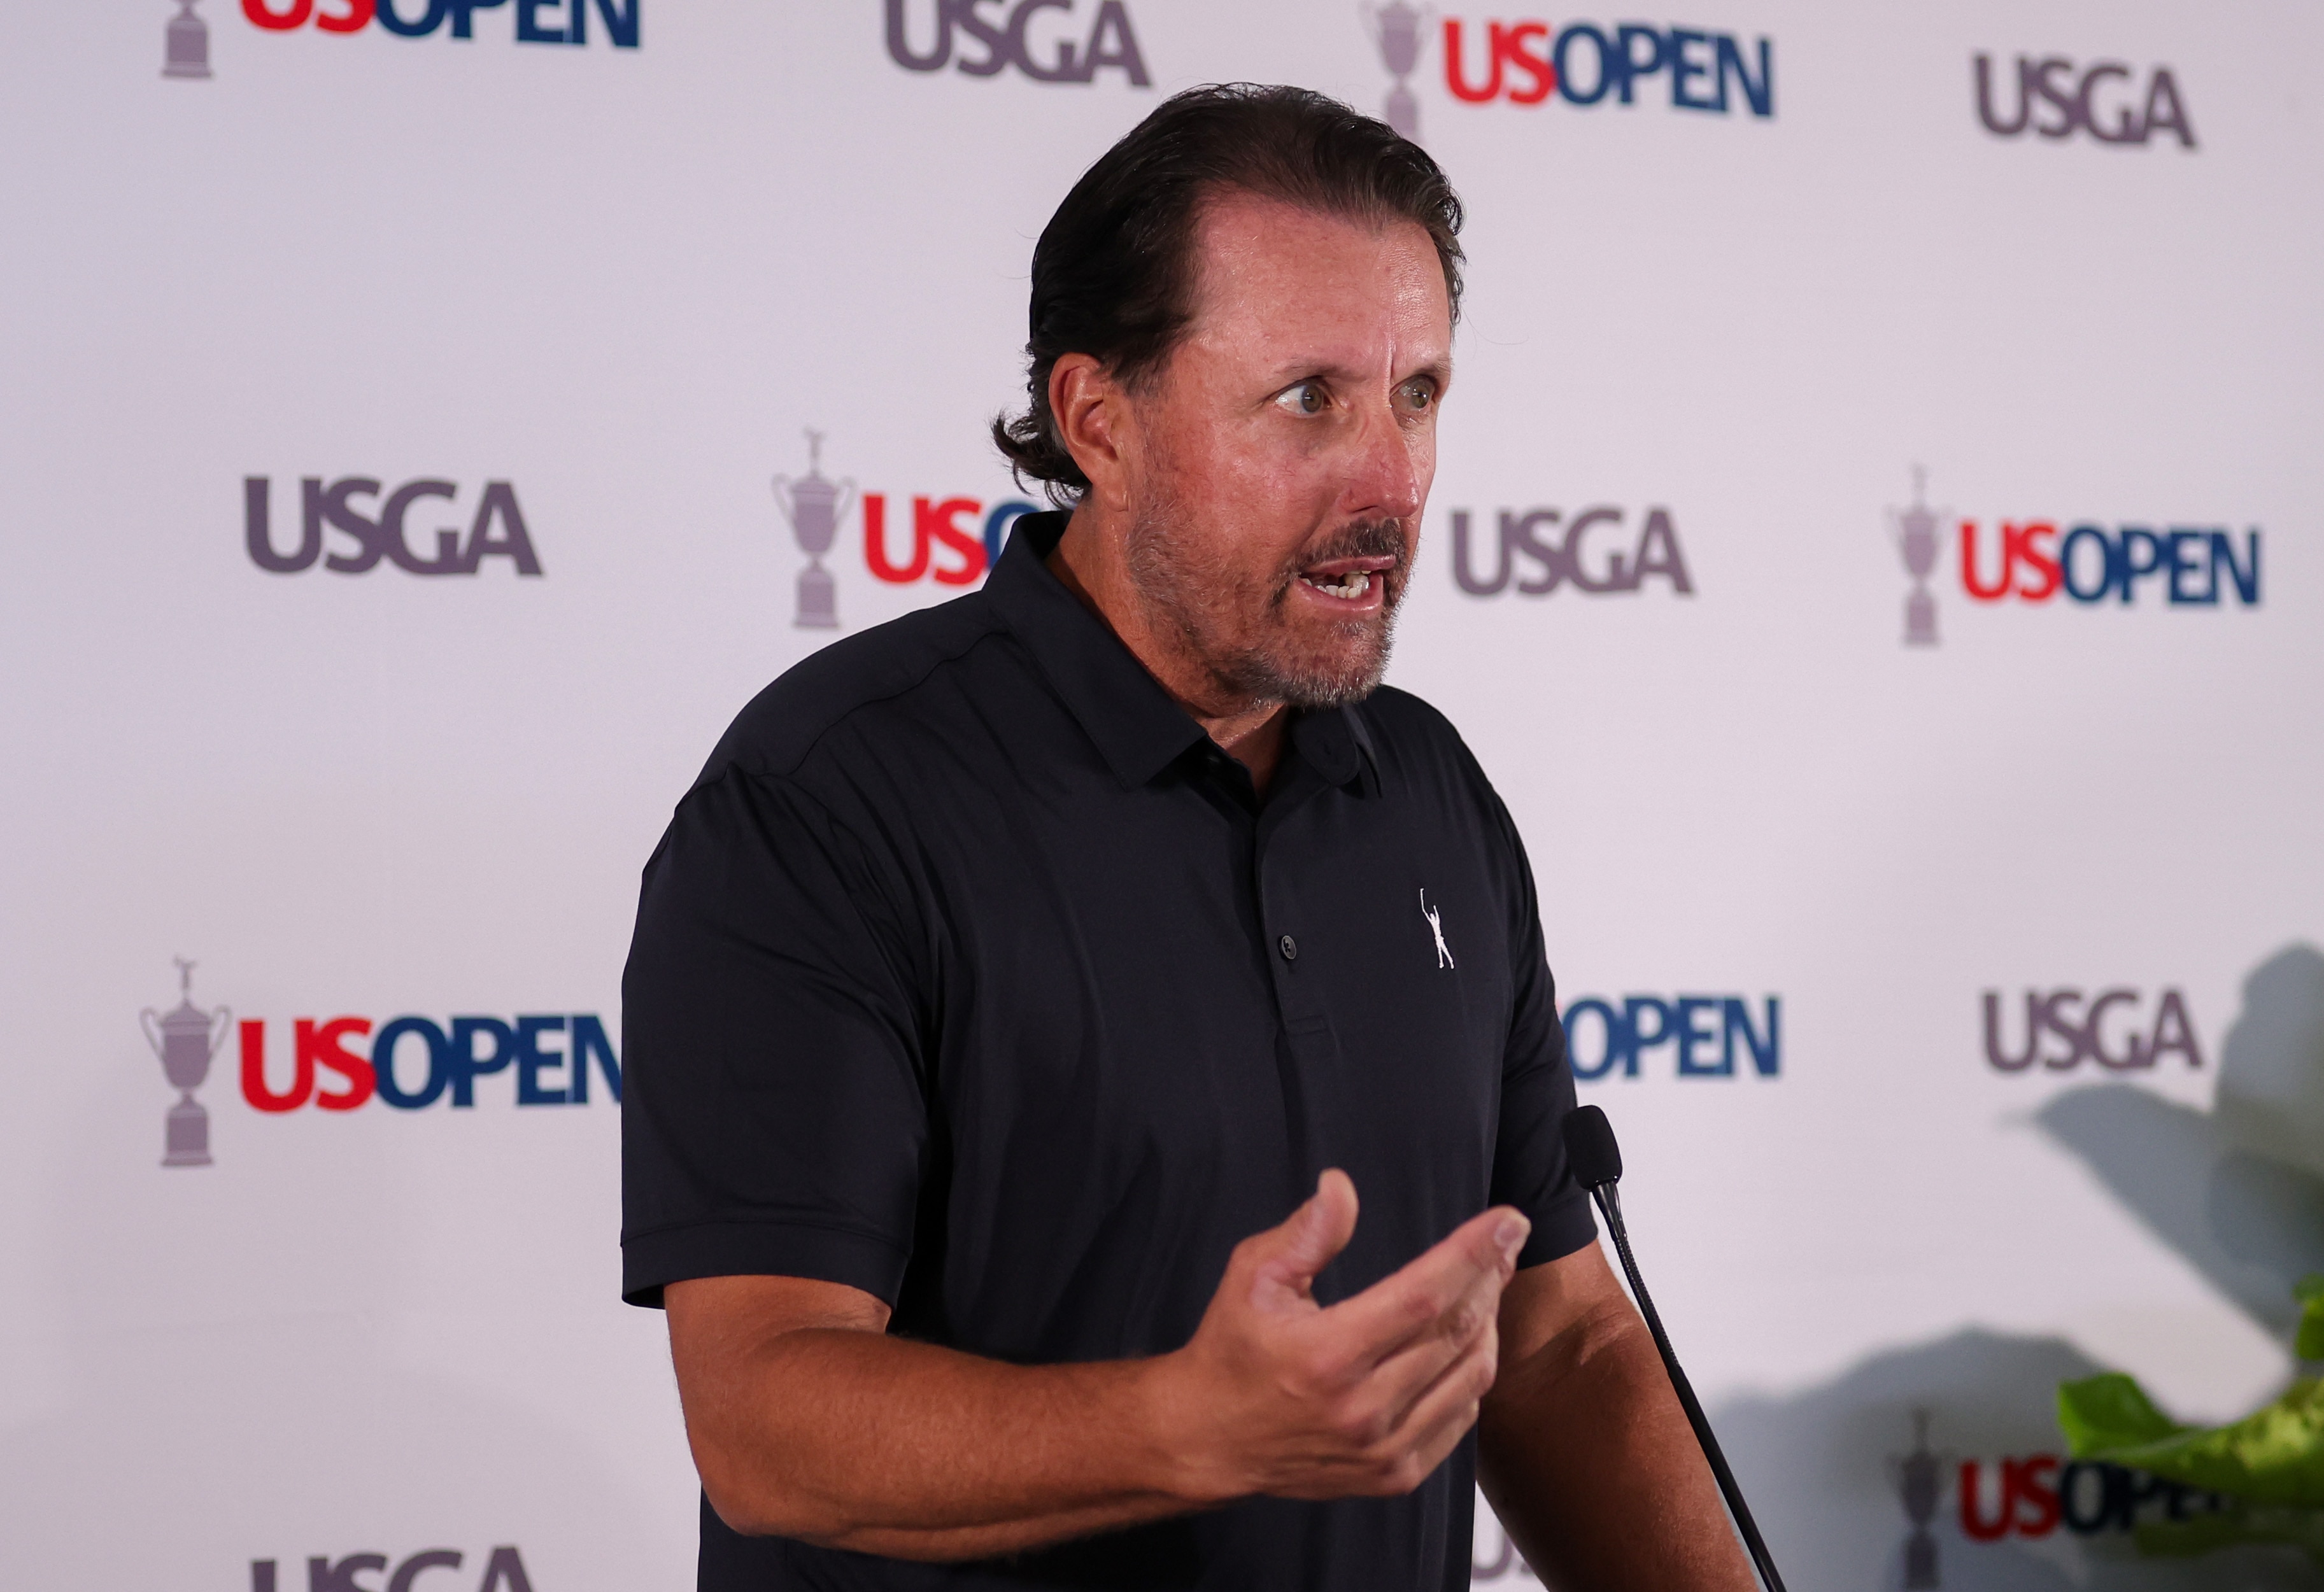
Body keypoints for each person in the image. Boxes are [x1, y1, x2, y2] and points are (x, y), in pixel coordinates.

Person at [621, 83, 1755, 1591]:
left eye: (1417, 394)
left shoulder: (1428, 794)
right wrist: (1187, 1427)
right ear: (1101, 420)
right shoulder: (827, 800)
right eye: (1310, 401)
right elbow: (764, 1417)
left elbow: (1552, 1349)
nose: (1390, 485)